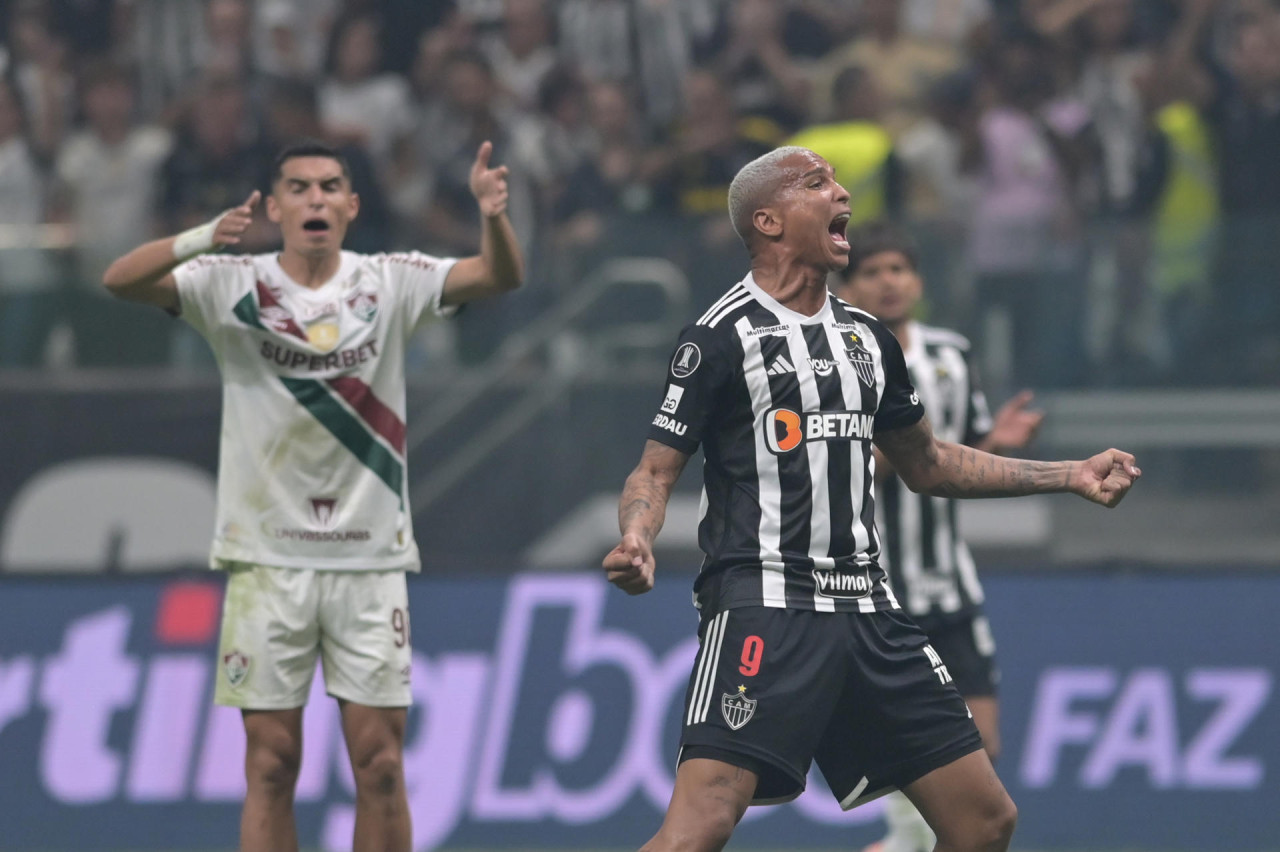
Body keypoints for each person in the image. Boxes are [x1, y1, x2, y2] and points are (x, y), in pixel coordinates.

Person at [602, 145, 1139, 852]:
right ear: (767, 221)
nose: (842, 192)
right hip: (768, 603)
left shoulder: (867, 341)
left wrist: (1067, 473)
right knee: (700, 825)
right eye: (817, 183)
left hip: (870, 611)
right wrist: (638, 534)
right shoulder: (720, 336)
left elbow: (931, 462)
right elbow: (653, 470)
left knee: (984, 820)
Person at [101, 139, 523, 852]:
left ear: (352, 207)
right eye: (297, 188)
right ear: (273, 207)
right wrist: (203, 236)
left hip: (368, 559)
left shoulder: (390, 280)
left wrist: (492, 214)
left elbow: (496, 277)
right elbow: (119, 279)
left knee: (382, 767)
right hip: (266, 560)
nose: (315, 199)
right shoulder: (231, 281)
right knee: (270, 766)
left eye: (329, 187)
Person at [835, 221, 1043, 852]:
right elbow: (835, 468)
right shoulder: (837, 355)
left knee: (984, 746)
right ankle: (902, 842)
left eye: (898, 269)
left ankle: (906, 845)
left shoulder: (951, 353)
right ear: (849, 286)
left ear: (919, 281)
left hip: (950, 582)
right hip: (879, 588)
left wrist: (994, 447)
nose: (888, 282)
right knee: (915, 748)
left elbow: (961, 456)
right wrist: (902, 454)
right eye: (872, 272)